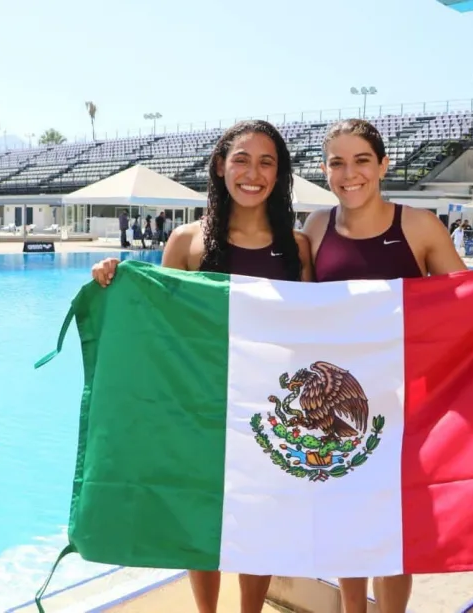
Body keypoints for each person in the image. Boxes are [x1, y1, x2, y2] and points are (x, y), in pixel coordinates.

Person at [301, 118, 473, 613]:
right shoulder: (316, 227)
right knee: (346, 523)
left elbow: (471, 302)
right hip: (344, 410)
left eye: (362, 160)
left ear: (383, 165)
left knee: (393, 529)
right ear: (325, 169)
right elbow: (288, 310)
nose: (349, 173)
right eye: (337, 162)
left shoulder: (418, 225)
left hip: (408, 408)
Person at [91, 119, 313, 613]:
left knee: (261, 523)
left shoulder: (296, 248)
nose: (252, 173)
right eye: (241, 159)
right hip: (198, 406)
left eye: (266, 162)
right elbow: (156, 321)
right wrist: (114, 277)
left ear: (279, 174)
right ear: (220, 166)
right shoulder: (188, 242)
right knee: (200, 518)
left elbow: (316, 329)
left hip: (270, 407)